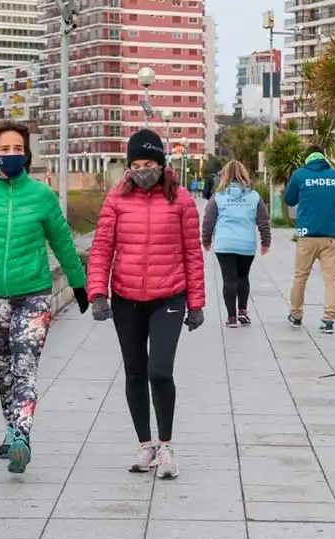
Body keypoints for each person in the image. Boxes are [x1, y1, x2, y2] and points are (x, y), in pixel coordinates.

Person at [0, 120, 88, 474]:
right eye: (5, 149)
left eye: (17, 149)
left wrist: (79, 284)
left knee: (25, 367)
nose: (11, 155)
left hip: (33, 295)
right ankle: (11, 426)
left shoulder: (41, 196)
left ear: (27, 154)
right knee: (5, 367)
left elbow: (63, 242)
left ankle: (21, 436)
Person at [86, 128, 205, 480]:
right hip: (126, 299)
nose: (142, 170)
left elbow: (192, 253)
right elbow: (102, 248)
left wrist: (196, 302)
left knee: (160, 371)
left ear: (161, 163)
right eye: (135, 164)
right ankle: (146, 444)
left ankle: (167, 445)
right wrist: (98, 293)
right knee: (135, 372)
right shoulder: (116, 199)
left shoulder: (181, 200)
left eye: (148, 163)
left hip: (169, 297)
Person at [201, 160, 271, 328]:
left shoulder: (218, 197)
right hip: (246, 245)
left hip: (225, 244)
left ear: (224, 176)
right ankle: (243, 311)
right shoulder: (254, 196)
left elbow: (208, 221)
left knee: (229, 279)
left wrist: (206, 240)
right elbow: (263, 221)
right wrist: (265, 241)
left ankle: (231, 317)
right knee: (242, 277)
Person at [284, 146, 335, 334]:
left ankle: (296, 315)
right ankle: (328, 319)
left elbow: (289, 200)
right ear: (324, 157)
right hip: (330, 236)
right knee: (331, 280)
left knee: (300, 277)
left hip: (306, 235)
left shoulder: (299, 175)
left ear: (307, 158)